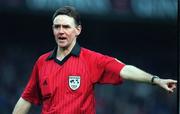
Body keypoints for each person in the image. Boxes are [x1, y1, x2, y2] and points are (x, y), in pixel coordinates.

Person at [12, 6, 177, 114]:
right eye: (57, 27)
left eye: (66, 27)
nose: (61, 31)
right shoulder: (42, 62)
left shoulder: (91, 59)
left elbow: (124, 69)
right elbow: (27, 99)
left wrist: (155, 80)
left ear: (78, 30)